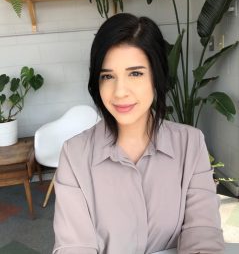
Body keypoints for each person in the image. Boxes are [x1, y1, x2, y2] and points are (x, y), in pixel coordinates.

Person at [53, 13, 224, 254]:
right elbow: (74, 247)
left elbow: (202, 233)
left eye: (135, 73)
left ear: (157, 76)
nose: (120, 91)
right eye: (107, 76)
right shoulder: (74, 154)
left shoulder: (190, 144)